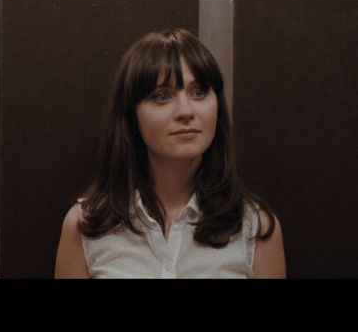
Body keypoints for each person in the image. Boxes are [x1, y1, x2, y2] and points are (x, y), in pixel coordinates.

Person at [55, 28, 285, 278]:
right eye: (162, 96)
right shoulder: (84, 225)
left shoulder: (256, 229)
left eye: (198, 92)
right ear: (132, 117)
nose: (185, 111)